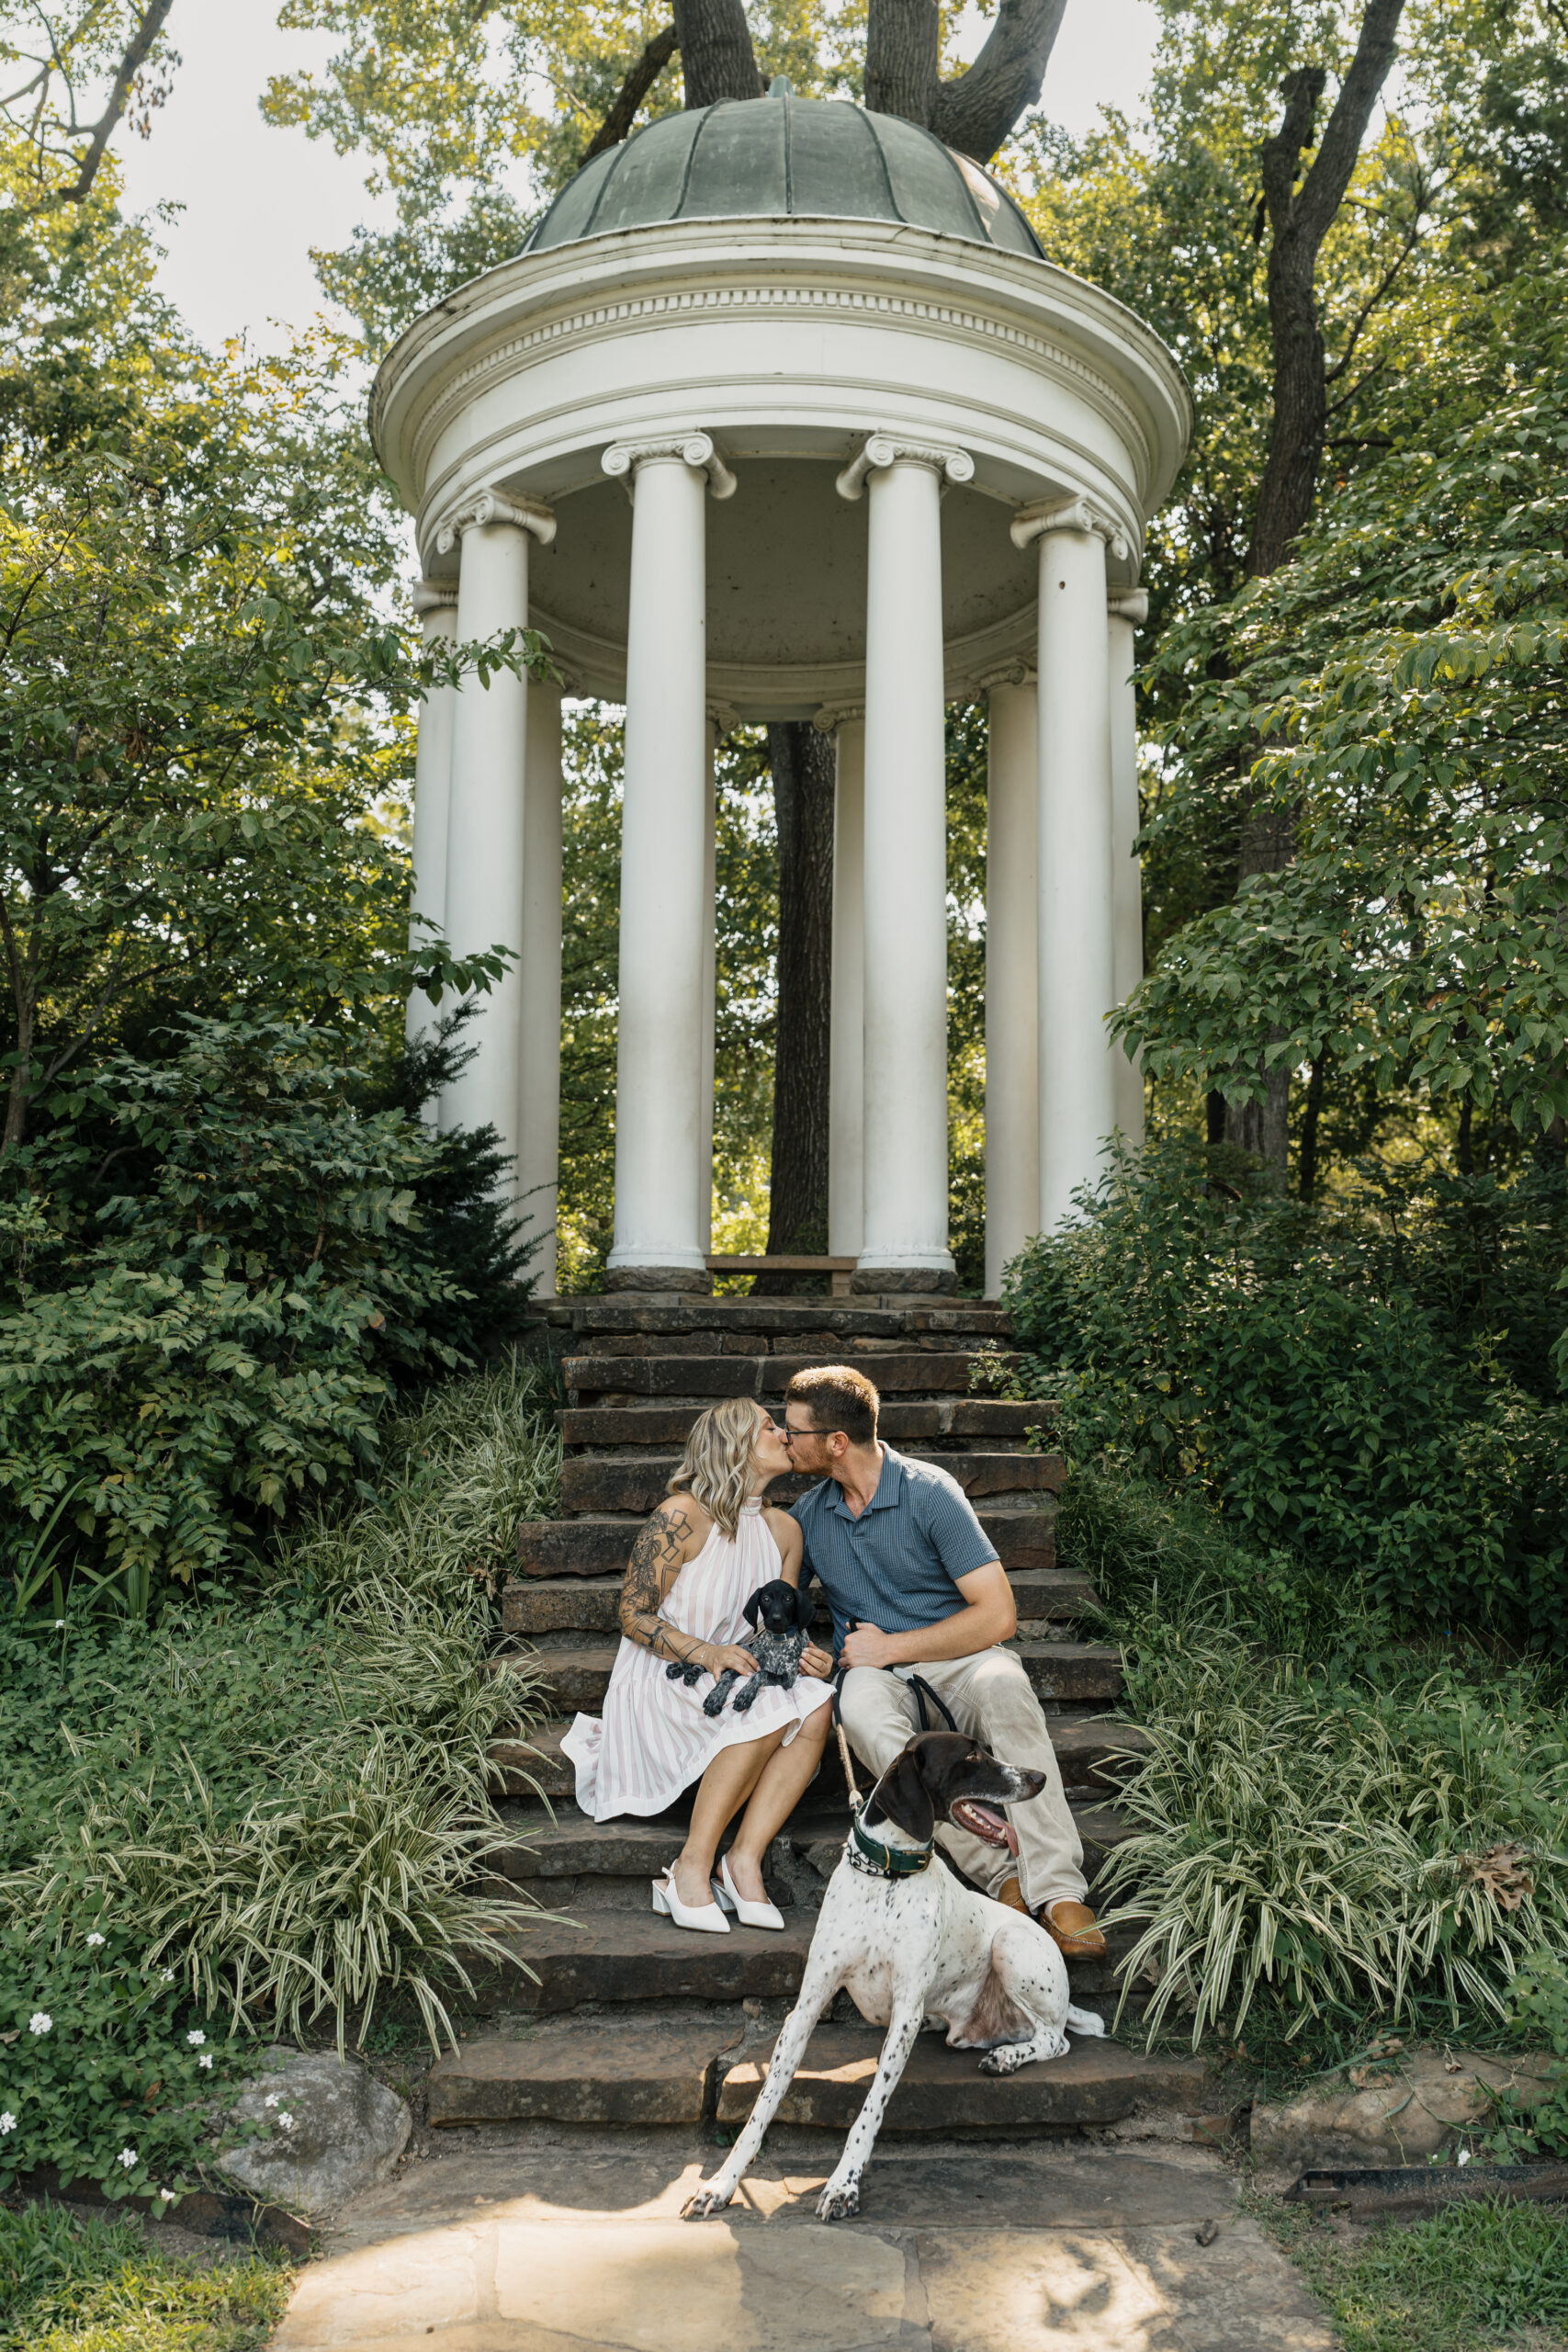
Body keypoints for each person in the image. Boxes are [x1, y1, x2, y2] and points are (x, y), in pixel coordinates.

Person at [784, 1363, 1106, 1958]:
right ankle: (999, 1876)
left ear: (834, 1442)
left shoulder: (929, 1492)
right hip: (876, 1675)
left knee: (1006, 1684)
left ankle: (1057, 1891)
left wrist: (891, 1646)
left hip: (957, 1656)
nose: (784, 1440)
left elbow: (997, 1614)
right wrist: (814, 1654)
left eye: (793, 1431)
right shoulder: (809, 1514)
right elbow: (777, 1604)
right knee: (856, 1706)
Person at [561, 1396, 834, 1935]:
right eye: (769, 1427)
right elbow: (631, 1615)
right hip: (665, 1675)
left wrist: (801, 1655)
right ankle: (691, 1865)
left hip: (739, 1672)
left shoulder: (784, 1531)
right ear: (735, 1445)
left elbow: (770, 1628)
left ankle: (743, 1860)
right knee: (767, 1708)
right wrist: (706, 1653)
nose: (784, 1434)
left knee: (818, 1704)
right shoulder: (681, 1516)